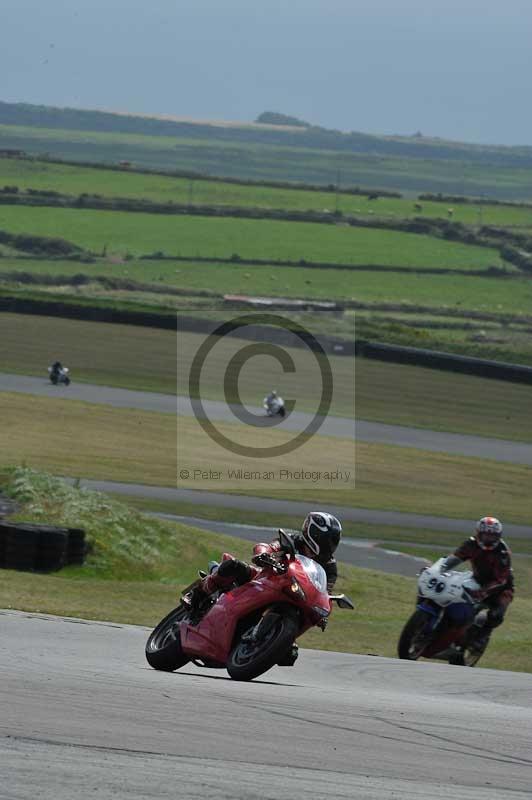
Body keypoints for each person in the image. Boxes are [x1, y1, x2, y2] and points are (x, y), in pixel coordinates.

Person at [187, 511, 342, 611]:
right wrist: (263, 554)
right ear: (314, 533)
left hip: (295, 596)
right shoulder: (293, 540)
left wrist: (325, 606)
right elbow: (270, 546)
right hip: (267, 578)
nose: (330, 545)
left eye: (334, 541)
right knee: (232, 565)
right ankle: (198, 594)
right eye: (328, 540)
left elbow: (325, 592)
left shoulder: (330, 567)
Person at [439, 516, 514, 652]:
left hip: (502, 588)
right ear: (478, 533)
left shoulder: (502, 553)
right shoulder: (471, 544)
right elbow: (456, 558)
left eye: (491, 536)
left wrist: (483, 592)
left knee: (497, 613)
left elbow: (501, 580)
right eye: (485, 535)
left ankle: (482, 636)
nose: (488, 539)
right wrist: (440, 569)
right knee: (455, 595)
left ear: (498, 536)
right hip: (477, 579)